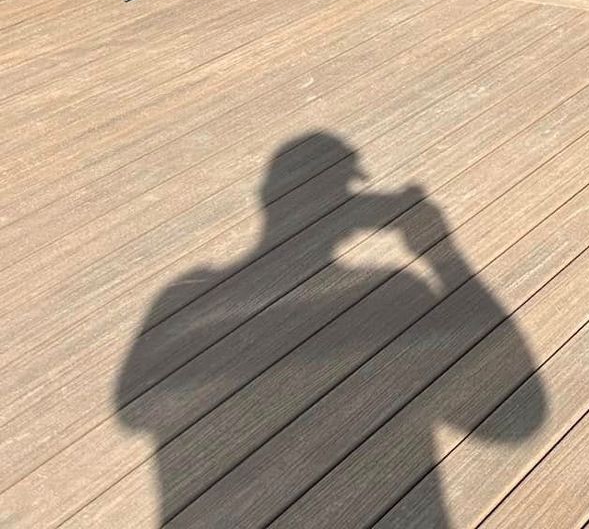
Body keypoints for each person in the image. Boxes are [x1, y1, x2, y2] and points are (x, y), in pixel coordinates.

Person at [116, 133, 542, 525]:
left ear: (265, 197)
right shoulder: (395, 293)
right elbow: (513, 421)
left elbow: (133, 412)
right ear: (351, 208)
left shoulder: (184, 297)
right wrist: (441, 251)